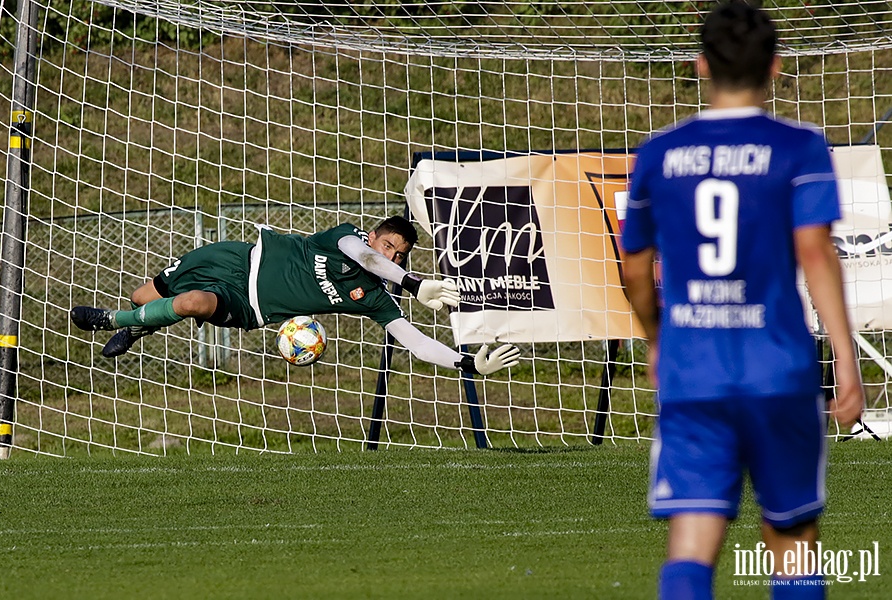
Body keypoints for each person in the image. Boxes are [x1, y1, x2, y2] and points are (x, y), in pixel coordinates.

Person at [620, 2, 864, 598]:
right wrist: (845, 358)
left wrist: (657, 339)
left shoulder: (658, 153)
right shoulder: (799, 147)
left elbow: (634, 268)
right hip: (778, 371)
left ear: (700, 65)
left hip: (693, 371)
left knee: (693, 538)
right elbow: (815, 253)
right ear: (776, 67)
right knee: (793, 536)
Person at [71, 216, 520, 376]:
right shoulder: (345, 238)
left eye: (400, 255)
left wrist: (468, 363)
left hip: (248, 306)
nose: (392, 256)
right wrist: (414, 283)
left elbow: (416, 342)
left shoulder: (374, 299)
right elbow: (362, 255)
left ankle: (112, 322)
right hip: (234, 259)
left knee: (191, 305)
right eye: (389, 246)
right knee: (142, 295)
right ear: (374, 236)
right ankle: (134, 323)